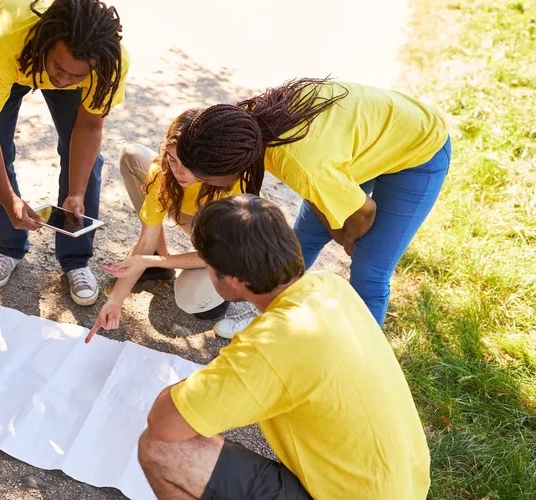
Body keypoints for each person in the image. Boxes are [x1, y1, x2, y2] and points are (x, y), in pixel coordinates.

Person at [137, 195, 431, 499]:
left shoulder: (272, 345)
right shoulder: (330, 286)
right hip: (405, 485)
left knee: (158, 449)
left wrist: (205, 385)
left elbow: (165, 424)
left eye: (208, 266)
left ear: (234, 281)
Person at [170, 78, 451, 326]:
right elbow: (318, 191)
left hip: (419, 147)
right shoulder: (243, 130)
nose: (202, 183)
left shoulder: (301, 165)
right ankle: (272, 318)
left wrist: (349, 239)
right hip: (362, 142)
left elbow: (364, 213)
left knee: (370, 271)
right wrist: (332, 223)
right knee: (299, 243)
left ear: (230, 167)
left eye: (205, 178)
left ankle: (353, 362)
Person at [0, 0, 129, 306]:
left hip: (56, 55)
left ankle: (76, 261)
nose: (64, 80)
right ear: (46, 44)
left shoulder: (109, 62)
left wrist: (77, 192)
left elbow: (89, 126)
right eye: (59, 69)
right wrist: (9, 198)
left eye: (76, 75)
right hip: (16, 47)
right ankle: (9, 248)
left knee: (86, 164)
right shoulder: (4, 42)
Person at [87, 109, 253, 342]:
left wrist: (147, 261)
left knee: (191, 300)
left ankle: (227, 294)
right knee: (133, 155)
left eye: (187, 164)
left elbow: (217, 256)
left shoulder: (230, 185)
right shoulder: (166, 173)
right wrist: (114, 301)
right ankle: (159, 267)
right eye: (172, 160)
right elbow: (146, 241)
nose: (179, 172)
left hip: (229, 254)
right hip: (196, 219)